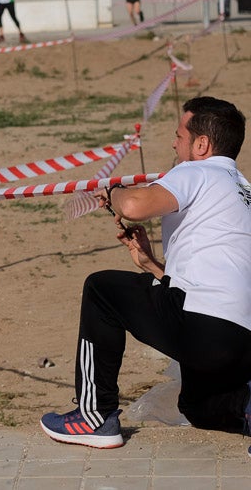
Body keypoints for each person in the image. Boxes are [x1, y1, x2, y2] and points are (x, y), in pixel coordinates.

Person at [40, 96, 251, 450]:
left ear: (202, 144)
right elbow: (221, 277)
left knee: (101, 289)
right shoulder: (243, 190)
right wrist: (153, 266)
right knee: (198, 407)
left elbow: (136, 206)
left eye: (179, 135)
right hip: (242, 341)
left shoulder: (197, 170)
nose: (173, 143)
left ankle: (94, 415)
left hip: (206, 328)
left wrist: (112, 192)